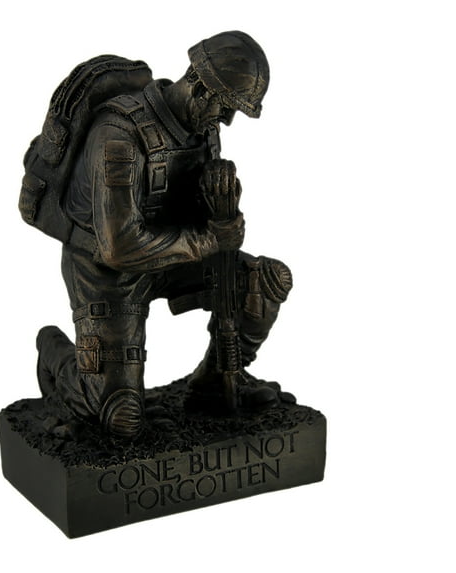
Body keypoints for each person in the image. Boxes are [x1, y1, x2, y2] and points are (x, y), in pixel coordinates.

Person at [35, 31, 293, 438]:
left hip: (168, 254)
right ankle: (55, 353)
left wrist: (224, 210)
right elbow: (119, 247)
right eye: (225, 106)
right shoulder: (119, 136)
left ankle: (215, 381)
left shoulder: (203, 130)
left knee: (264, 282)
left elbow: (198, 214)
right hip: (105, 272)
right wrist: (211, 239)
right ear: (200, 87)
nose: (227, 120)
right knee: (120, 417)